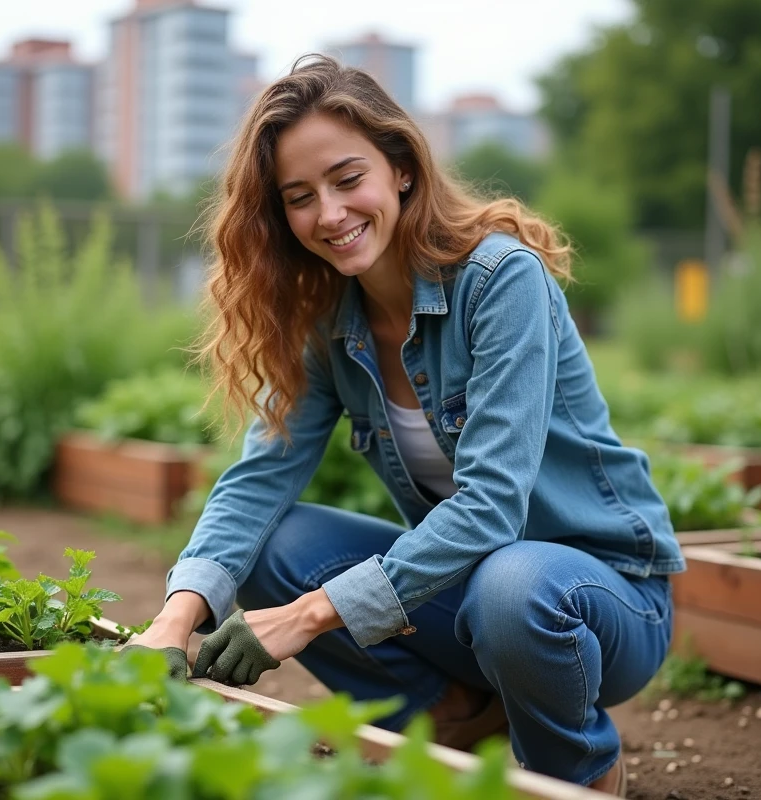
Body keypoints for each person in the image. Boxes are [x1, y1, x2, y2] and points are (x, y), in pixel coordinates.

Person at [126, 54, 684, 796]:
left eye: (347, 179)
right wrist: (174, 617)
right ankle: (455, 718)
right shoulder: (328, 321)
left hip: (602, 603)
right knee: (269, 545)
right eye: (299, 197)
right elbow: (260, 475)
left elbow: (492, 509)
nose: (329, 214)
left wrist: (307, 617)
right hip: (474, 604)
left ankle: (576, 773)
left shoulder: (499, 280)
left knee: (511, 585)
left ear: (402, 169)